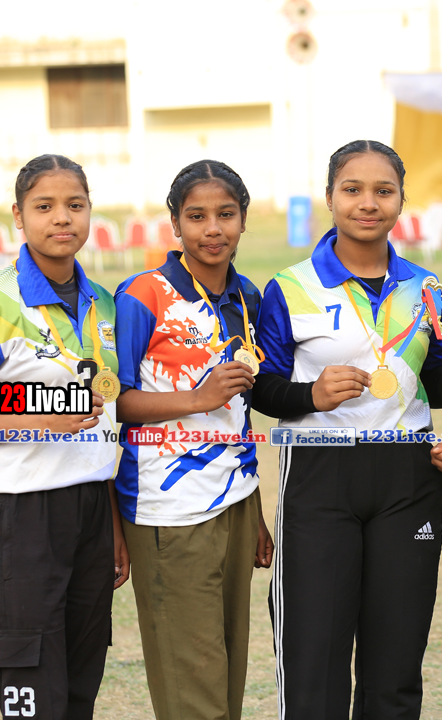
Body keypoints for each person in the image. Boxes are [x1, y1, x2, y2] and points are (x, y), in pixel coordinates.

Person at [254, 139, 442, 720]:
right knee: (314, 660)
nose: (368, 203)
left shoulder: (429, 288)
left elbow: (435, 380)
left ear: (401, 201)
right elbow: (262, 389)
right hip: (320, 478)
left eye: (383, 191)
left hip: (407, 479)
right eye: (353, 190)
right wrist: (310, 395)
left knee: (396, 663)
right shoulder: (290, 287)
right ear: (330, 197)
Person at [0, 154, 126, 719]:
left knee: (83, 673)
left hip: (90, 506)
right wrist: (40, 416)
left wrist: (111, 522)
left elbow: (107, 418)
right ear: (18, 216)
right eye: (44, 206)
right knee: (32, 678)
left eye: (75, 205)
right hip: (17, 511)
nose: (62, 218)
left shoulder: (105, 304)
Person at [113, 159, 272, 720]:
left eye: (225, 214)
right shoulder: (143, 295)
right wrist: (197, 397)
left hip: (234, 501)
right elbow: (112, 402)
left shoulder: (247, 297)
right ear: (175, 223)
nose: (213, 229)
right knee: (193, 688)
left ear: (244, 219)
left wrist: (253, 507)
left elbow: (239, 415)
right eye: (197, 216)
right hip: (168, 510)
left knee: (227, 673)